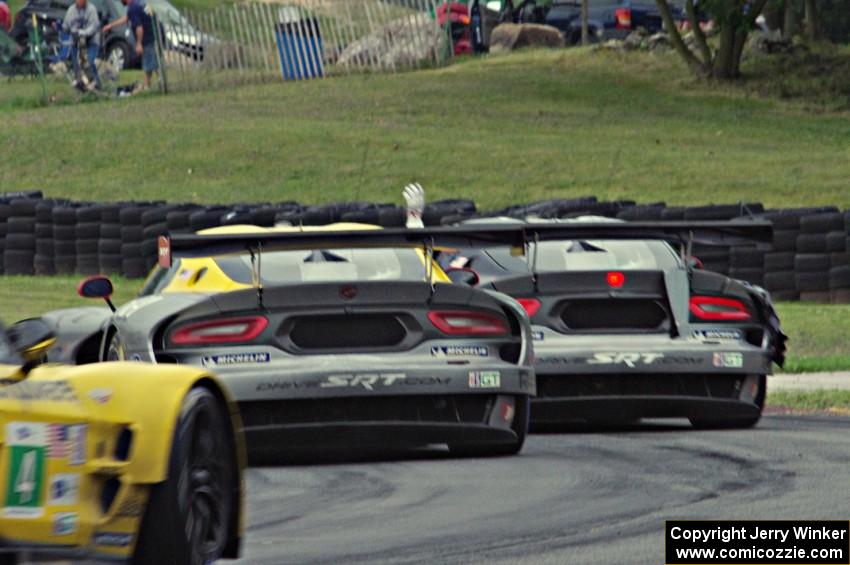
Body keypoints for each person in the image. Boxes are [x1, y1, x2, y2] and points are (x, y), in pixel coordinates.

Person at [104, 0, 157, 90]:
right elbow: (153, 15)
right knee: (151, 61)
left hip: (147, 38)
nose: (120, 1)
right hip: (154, 34)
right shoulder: (141, 3)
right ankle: (148, 84)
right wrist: (111, 25)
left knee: (150, 63)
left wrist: (139, 44)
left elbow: (139, 27)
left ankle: (153, 83)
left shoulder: (133, 8)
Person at [63, 0, 102, 89]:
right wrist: (59, 27)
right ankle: (81, 86)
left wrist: (82, 33)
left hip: (91, 40)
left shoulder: (91, 9)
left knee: (89, 62)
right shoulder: (70, 10)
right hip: (76, 42)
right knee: (76, 65)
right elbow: (66, 26)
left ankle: (97, 85)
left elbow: (94, 27)